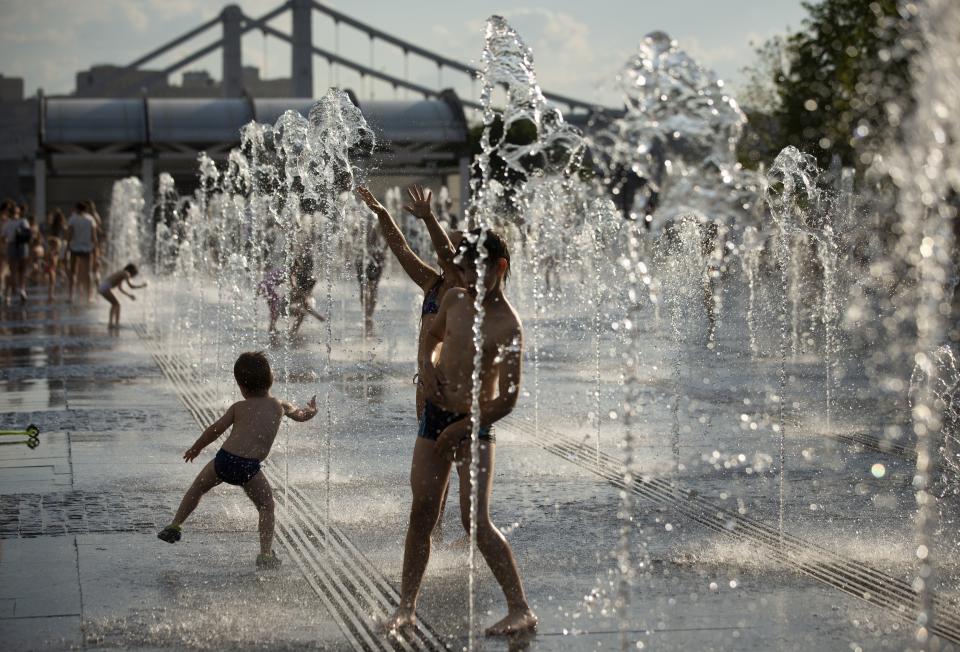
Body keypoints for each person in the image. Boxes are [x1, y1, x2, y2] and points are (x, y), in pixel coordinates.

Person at [384, 229, 537, 637]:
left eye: (476, 271)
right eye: (465, 271)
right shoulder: (454, 300)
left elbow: (507, 398)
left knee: (476, 522)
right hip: (434, 419)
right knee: (422, 512)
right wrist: (428, 363)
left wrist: (464, 427)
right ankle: (406, 607)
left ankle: (520, 608)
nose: (468, 280)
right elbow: (431, 338)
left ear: (499, 267)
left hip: (474, 427)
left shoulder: (508, 325)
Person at [356, 185, 465, 545]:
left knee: (449, 468)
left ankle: (446, 531)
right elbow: (400, 249)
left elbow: (445, 252)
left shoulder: (464, 294)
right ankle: (434, 528)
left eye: (452, 249)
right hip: (425, 389)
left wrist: (430, 218)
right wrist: (381, 212)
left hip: (454, 392)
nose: (443, 253)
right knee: (433, 468)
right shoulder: (432, 285)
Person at [156, 352, 317, 570]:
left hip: (225, 459)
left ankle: (175, 525)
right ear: (272, 379)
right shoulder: (280, 405)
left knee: (197, 488)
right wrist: (311, 410)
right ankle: (265, 554)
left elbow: (215, 430)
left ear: (241, 386)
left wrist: (197, 447)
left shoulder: (238, 407)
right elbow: (300, 415)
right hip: (248, 468)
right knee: (266, 506)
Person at [288, 249, 326, 337]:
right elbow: (307, 307)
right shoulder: (299, 292)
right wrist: (318, 317)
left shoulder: (298, 290)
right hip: (281, 309)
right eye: (311, 288)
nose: (311, 291)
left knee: (302, 311)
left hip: (281, 307)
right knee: (302, 313)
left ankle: (292, 332)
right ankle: (291, 334)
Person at [66, 202, 99, 303]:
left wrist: (67, 247)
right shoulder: (90, 219)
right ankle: (89, 296)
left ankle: (71, 295)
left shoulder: (72, 219)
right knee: (88, 272)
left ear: (76, 208)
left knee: (73, 272)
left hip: (74, 248)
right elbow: (94, 237)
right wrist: (96, 251)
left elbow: (69, 234)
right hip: (87, 248)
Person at [98, 263, 147, 328]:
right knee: (117, 304)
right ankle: (115, 324)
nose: (134, 276)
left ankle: (111, 323)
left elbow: (120, 288)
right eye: (134, 273)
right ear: (132, 270)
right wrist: (142, 286)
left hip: (102, 287)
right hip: (105, 287)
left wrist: (129, 295)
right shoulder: (126, 273)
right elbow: (131, 286)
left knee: (114, 304)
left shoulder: (122, 273)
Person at [1, 203, 31, 305]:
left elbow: (3, 237)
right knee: (22, 270)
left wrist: (4, 246)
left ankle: (10, 292)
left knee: (12, 271)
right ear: (18, 212)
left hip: (11, 245)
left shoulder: (7, 223)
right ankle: (22, 289)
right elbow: (29, 235)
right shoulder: (23, 221)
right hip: (23, 246)